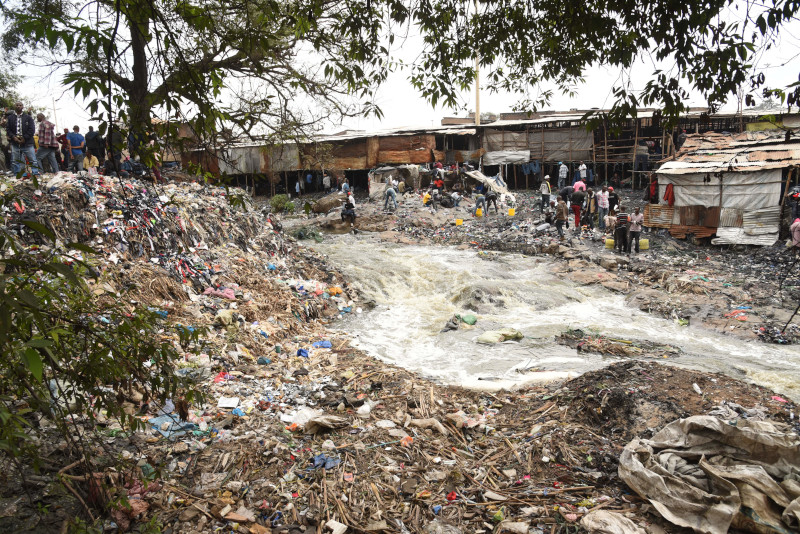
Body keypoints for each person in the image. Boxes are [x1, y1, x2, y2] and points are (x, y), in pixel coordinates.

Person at [5, 101, 39, 175]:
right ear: (15, 106)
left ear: (22, 107)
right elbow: (8, 129)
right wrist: (13, 137)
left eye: (20, 105)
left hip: (27, 143)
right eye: (17, 105)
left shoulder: (28, 117)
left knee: (33, 160)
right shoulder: (10, 118)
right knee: (15, 161)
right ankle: (17, 175)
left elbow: (32, 129)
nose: (18, 106)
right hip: (15, 143)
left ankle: (35, 173)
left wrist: (24, 138)